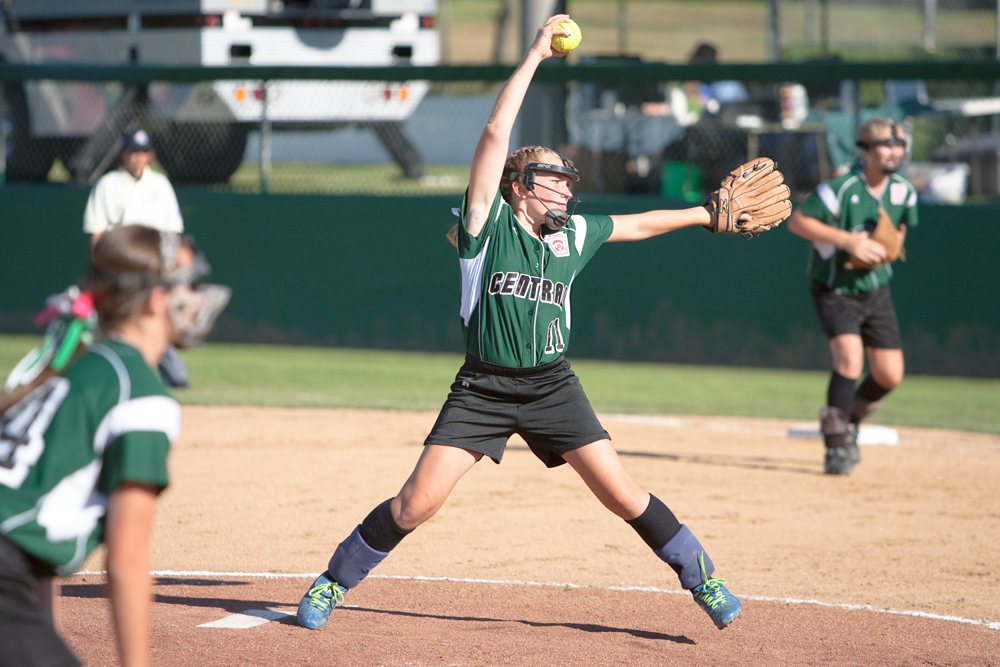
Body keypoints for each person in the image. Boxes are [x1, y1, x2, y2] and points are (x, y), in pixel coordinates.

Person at [295, 15, 763, 633]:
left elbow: (638, 224)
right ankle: (333, 582)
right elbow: (495, 133)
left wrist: (704, 214)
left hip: (552, 386)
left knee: (623, 495)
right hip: (482, 388)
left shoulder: (573, 235)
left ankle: (703, 580)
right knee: (415, 504)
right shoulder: (485, 225)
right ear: (518, 188)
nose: (566, 191)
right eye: (553, 181)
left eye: (569, 182)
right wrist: (538, 53)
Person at [0, 226, 229, 667]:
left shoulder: (72, 359)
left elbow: (30, 537)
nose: (198, 297)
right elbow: (127, 559)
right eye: (189, 285)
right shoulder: (141, 395)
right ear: (157, 299)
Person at [785, 118, 917, 475]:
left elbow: (900, 227)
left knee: (889, 375)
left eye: (898, 145)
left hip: (875, 289)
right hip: (835, 288)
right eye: (885, 145)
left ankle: (850, 421)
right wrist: (848, 241)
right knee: (849, 359)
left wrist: (891, 245)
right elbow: (798, 221)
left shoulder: (903, 191)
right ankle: (836, 446)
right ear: (865, 150)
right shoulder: (840, 188)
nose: (894, 151)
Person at [82, 128, 189, 389]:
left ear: (150, 155)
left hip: (152, 267)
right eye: (133, 151)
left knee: (155, 317)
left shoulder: (160, 185)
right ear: (122, 153)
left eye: (142, 152)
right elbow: (97, 232)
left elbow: (171, 232)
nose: (137, 157)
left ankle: (175, 376)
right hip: (118, 267)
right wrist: (98, 269)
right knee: (110, 322)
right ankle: (94, 370)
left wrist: (168, 268)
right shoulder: (108, 184)